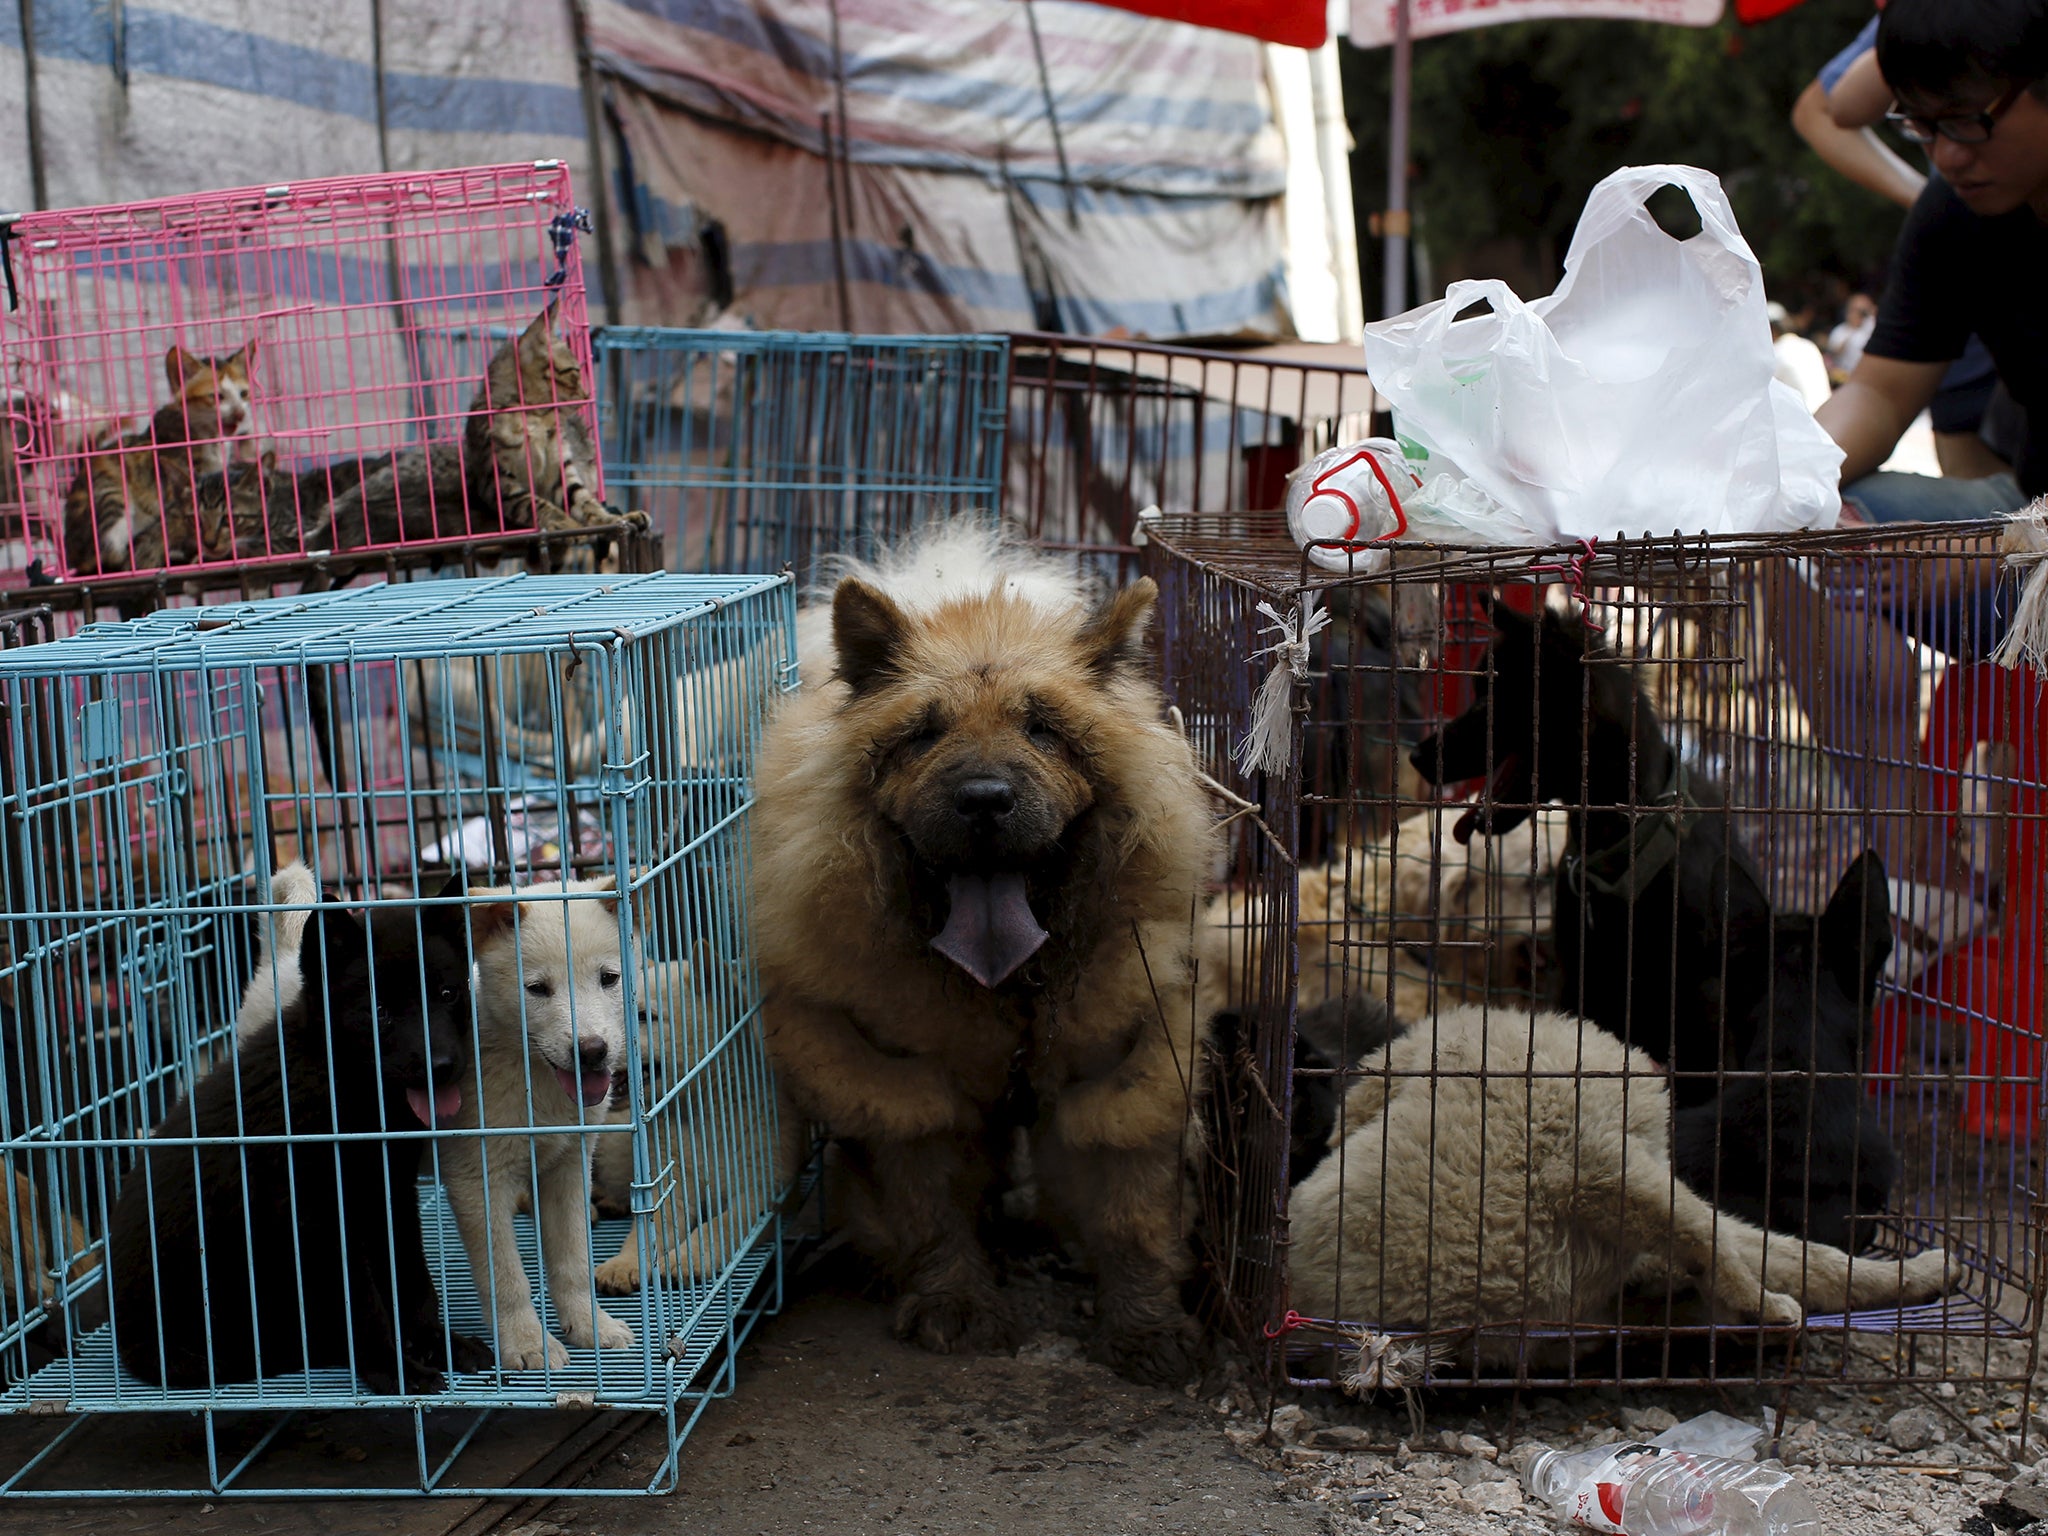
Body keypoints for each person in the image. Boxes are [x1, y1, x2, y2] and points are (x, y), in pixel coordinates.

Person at [1771, 0, 2048, 894]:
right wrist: (1771, 491)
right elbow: (1882, 392)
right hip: (2019, 536)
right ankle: (1918, 880)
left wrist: (1999, 552)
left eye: (1967, 121)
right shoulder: (1956, 213)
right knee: (1800, 542)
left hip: (2028, 549)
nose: (1946, 155)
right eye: (1920, 126)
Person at [1770, 301, 1832, 412]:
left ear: (1771, 330)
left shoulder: (1776, 353)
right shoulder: (1809, 345)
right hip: (1826, 416)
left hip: (1804, 422)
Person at [1827, 291, 1877, 379]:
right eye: (1854, 310)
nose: (1858, 315)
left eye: (1862, 312)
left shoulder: (1870, 327)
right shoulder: (1840, 331)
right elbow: (1833, 352)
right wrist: (1852, 333)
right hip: (1844, 377)